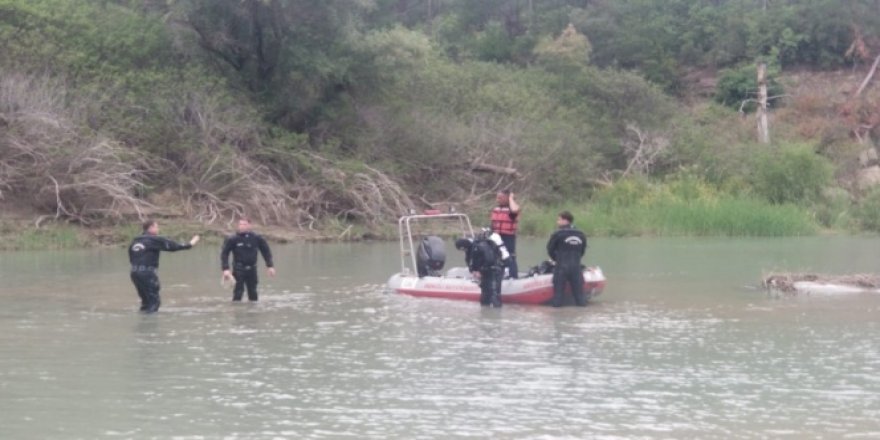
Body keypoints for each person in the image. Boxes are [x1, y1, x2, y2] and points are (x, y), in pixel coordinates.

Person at [128, 220, 200, 313]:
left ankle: (143, 321)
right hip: (147, 274)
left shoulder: (135, 241)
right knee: (154, 302)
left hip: (134, 274)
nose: (158, 229)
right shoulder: (154, 239)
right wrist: (191, 243)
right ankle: (150, 325)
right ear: (151, 228)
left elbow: (131, 258)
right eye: (157, 227)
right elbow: (175, 246)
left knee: (146, 302)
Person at [220, 217, 275, 302]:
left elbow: (266, 251)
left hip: (252, 269)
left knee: (253, 293)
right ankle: (237, 312)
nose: (242, 226)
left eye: (244, 224)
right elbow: (224, 253)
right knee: (238, 293)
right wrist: (225, 269)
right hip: (238, 269)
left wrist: (270, 266)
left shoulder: (257, 238)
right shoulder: (232, 239)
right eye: (240, 224)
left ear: (249, 225)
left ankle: (252, 312)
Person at [546, 211, 588, 307]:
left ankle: (557, 319)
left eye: (559, 220)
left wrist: (557, 259)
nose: (557, 222)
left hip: (561, 267)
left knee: (558, 298)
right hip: (576, 268)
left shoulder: (557, 234)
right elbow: (582, 251)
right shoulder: (581, 234)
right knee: (580, 298)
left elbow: (550, 249)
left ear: (565, 220)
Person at [455, 235, 503, 307]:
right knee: (484, 298)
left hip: (492, 271)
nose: (463, 251)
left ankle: (496, 313)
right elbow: (470, 263)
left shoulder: (480, 246)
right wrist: (473, 271)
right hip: (484, 274)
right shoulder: (469, 250)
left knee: (493, 295)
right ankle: (485, 313)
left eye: (462, 249)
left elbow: (490, 260)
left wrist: (480, 271)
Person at [490, 189, 520, 278]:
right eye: (497, 198)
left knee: (510, 257)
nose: (497, 200)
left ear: (507, 198)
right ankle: (498, 275)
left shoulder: (512, 210)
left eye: (500, 198)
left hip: (508, 237)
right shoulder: (496, 209)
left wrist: (511, 198)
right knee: (496, 257)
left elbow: (514, 210)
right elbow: (493, 224)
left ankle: (513, 276)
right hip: (496, 236)